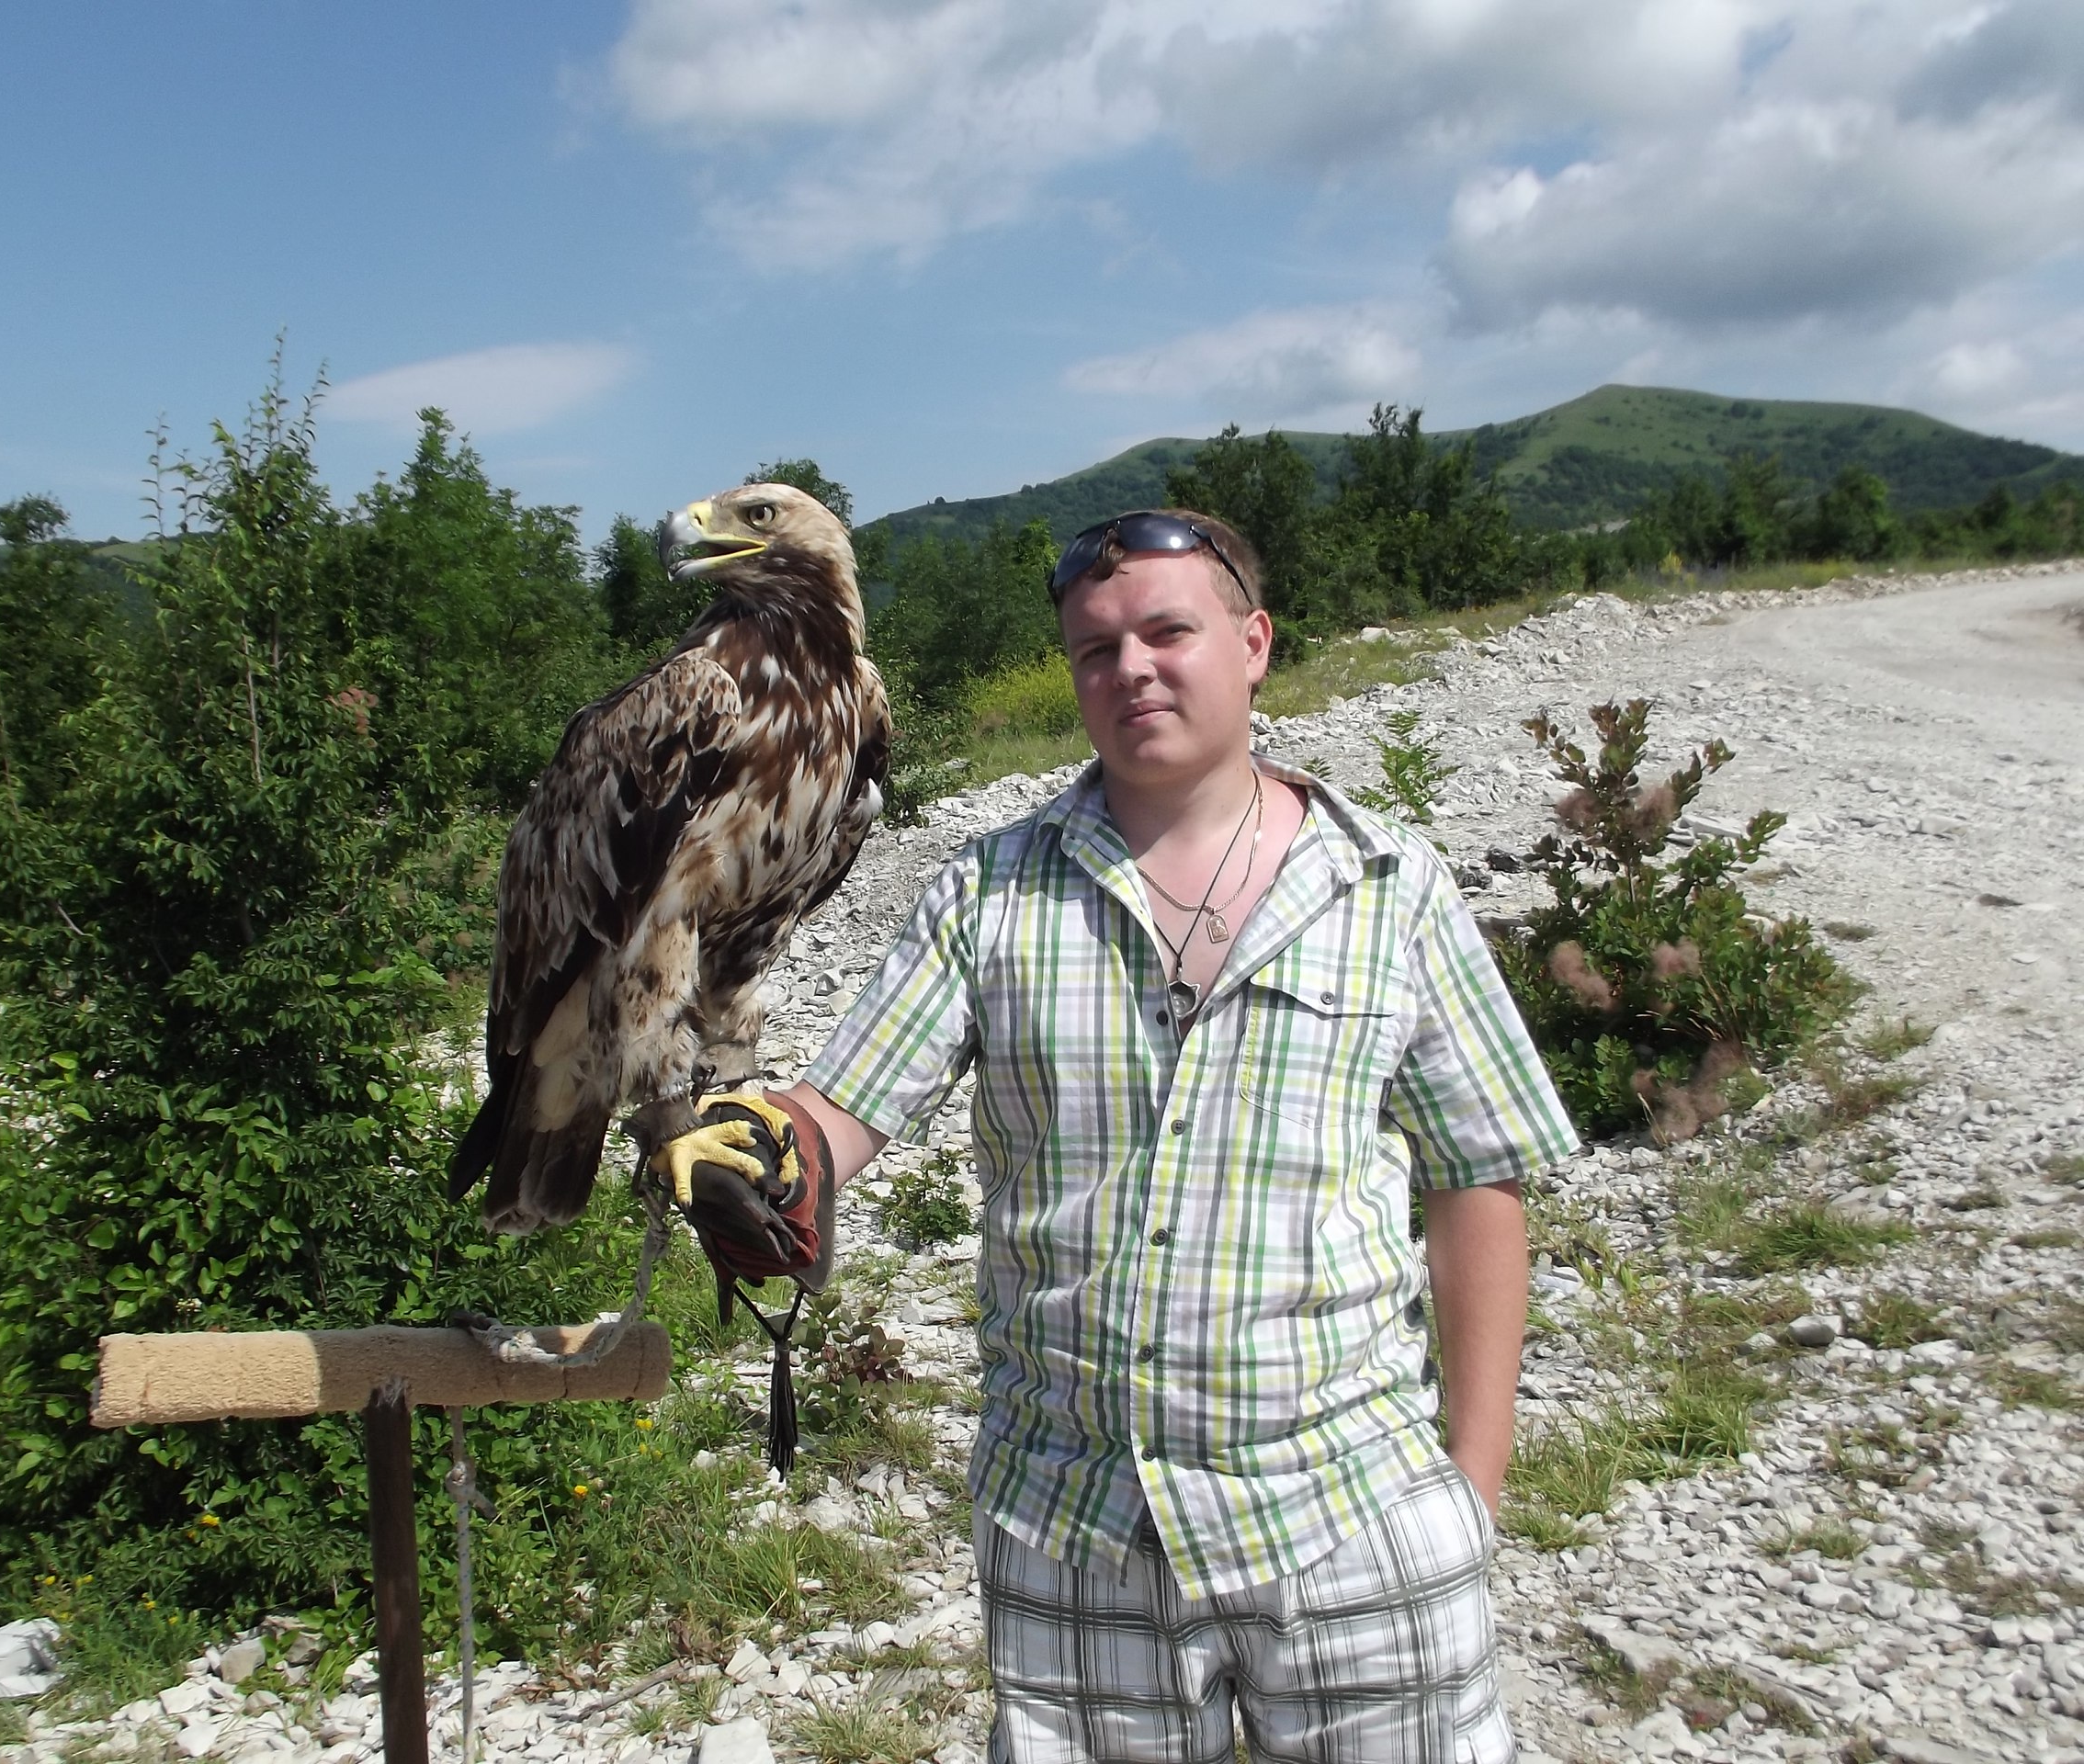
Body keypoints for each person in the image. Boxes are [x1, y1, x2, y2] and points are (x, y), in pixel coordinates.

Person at [660, 509, 1579, 1763]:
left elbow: (1480, 1182)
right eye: (1096, 650)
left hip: (1355, 1520)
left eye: (1166, 632)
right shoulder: (988, 893)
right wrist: (756, 1151)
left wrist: (1471, 1490)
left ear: (1252, 644)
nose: (1131, 669)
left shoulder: (1392, 889)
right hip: (1076, 1539)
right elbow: (840, 1113)